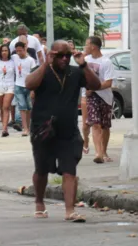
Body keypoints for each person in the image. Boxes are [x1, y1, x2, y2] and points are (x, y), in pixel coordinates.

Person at [25, 40, 100, 222]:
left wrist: (83, 64)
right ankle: (39, 202)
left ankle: (70, 211)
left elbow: (95, 85)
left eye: (67, 55)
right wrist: (45, 63)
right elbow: (29, 84)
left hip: (68, 130)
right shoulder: (43, 71)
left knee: (69, 170)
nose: (64, 59)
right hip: (43, 129)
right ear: (52, 54)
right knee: (42, 170)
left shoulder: (75, 72)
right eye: (60, 55)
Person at [84, 36, 116, 164]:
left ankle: (104, 151)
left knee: (105, 126)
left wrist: (94, 87)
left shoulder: (106, 62)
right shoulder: (85, 61)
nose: (85, 46)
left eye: (87, 44)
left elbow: (108, 82)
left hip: (105, 97)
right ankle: (98, 153)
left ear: (93, 46)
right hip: (92, 97)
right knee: (95, 124)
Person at [12, 42, 37, 136]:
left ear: (25, 48)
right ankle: (25, 128)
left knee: (29, 107)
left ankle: (29, 127)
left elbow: (34, 75)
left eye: (20, 50)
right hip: (18, 85)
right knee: (22, 107)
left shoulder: (31, 60)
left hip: (28, 86)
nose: (19, 52)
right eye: (17, 50)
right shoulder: (14, 57)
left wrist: (33, 89)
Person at [0, 44, 15, 137]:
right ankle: (4, 126)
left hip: (10, 85)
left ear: (9, 52)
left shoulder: (13, 61)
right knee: (1, 107)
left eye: (6, 50)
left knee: (6, 107)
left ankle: (4, 129)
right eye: (2, 51)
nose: (4, 52)